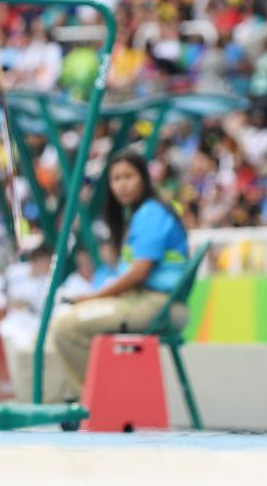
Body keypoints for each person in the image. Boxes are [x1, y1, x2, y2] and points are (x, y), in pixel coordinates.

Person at [49, 150, 189, 398]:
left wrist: (93, 298)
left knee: (66, 327)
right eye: (116, 179)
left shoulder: (151, 213)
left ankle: (99, 402)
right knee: (65, 321)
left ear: (144, 178)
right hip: (139, 302)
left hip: (156, 305)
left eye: (128, 176)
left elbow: (138, 275)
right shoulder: (138, 215)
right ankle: (94, 399)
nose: (122, 184)